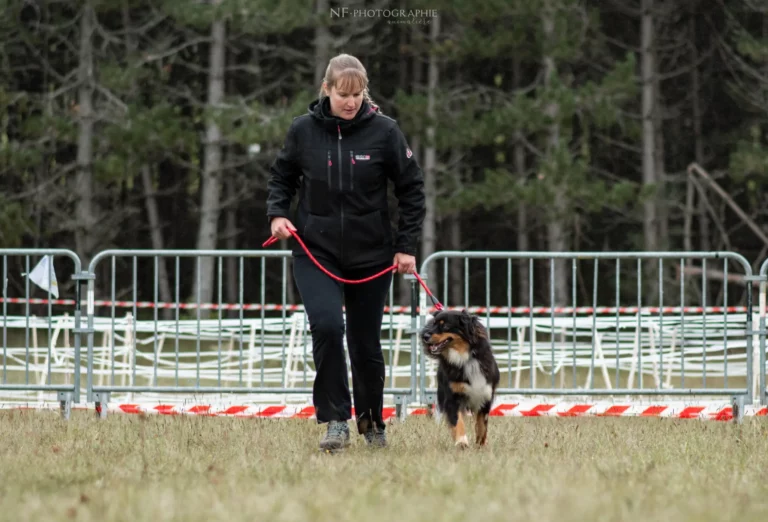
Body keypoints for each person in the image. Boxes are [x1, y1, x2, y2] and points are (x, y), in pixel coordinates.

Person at [266, 53, 426, 451]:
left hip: (371, 254)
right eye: (342, 95)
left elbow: (412, 190)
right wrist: (276, 216)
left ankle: (372, 424)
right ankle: (335, 420)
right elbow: (281, 178)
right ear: (327, 90)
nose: (350, 102)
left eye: (357, 95)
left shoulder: (385, 132)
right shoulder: (302, 131)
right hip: (315, 250)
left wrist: (405, 246)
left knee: (365, 343)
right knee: (326, 327)